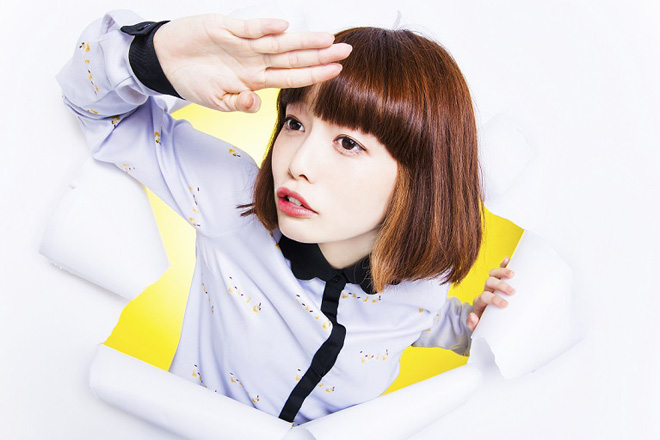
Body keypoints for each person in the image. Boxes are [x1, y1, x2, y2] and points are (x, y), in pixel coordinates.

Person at [57, 9, 516, 425]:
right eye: (295, 124)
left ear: (422, 180)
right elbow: (100, 115)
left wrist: (469, 323)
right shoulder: (232, 202)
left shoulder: (422, 283)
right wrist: (153, 56)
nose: (299, 163)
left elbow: (416, 321)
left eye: (348, 143)